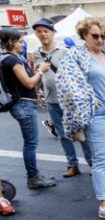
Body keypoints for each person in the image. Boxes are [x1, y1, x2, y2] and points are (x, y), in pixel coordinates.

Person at [56, 17, 105, 220]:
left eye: (103, 36)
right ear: (84, 35)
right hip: (97, 115)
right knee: (101, 159)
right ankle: (104, 204)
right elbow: (68, 84)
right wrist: (90, 99)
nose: (100, 40)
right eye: (95, 36)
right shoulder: (75, 55)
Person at [30, 18, 92, 179]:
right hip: (52, 100)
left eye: (46, 31)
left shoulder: (65, 51)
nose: (43, 34)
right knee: (63, 134)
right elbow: (39, 74)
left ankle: (92, 163)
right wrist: (38, 93)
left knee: (81, 131)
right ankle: (73, 165)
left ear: (52, 33)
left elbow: (78, 74)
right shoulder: (37, 54)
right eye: (39, 31)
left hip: (70, 100)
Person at [0, 28, 57, 191]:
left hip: (21, 104)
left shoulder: (5, 59)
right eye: (19, 41)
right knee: (31, 143)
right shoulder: (12, 60)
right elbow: (29, 83)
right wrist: (41, 70)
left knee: (30, 142)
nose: (21, 44)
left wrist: (36, 97)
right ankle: (33, 177)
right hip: (23, 106)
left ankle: (34, 176)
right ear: (11, 42)